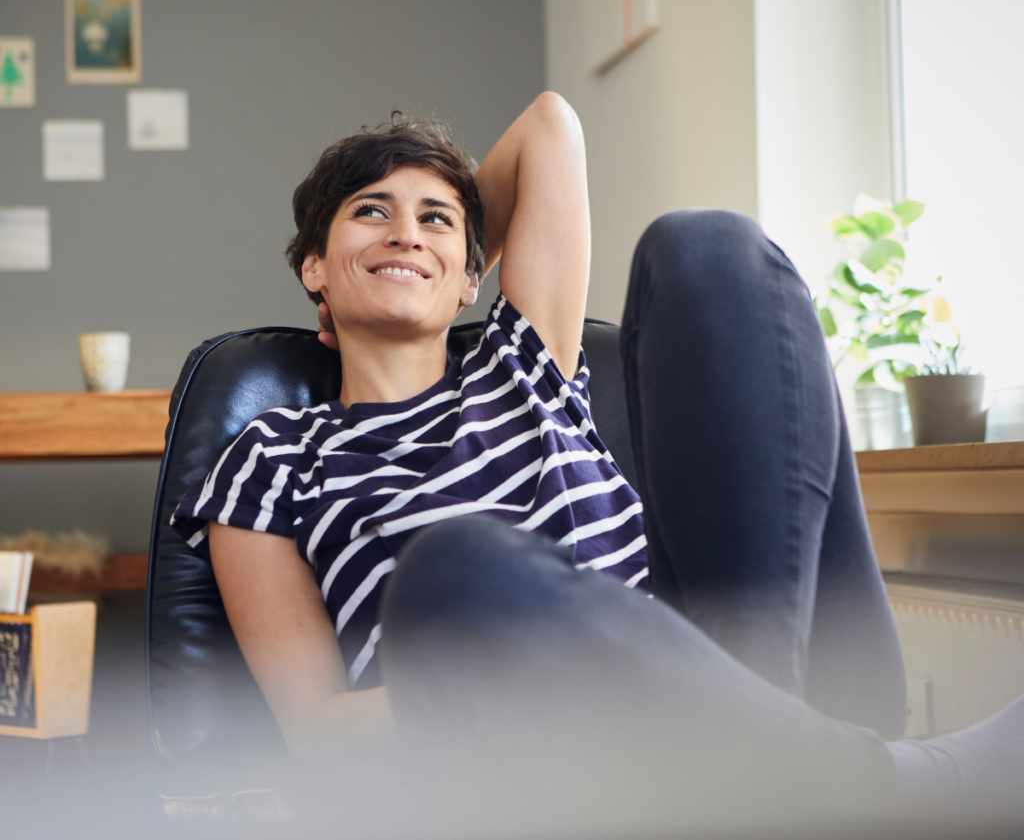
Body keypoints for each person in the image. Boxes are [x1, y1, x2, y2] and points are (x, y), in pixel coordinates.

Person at [171, 93, 1023, 823]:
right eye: (369, 211)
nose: (406, 231)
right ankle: (834, 784)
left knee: (707, 243)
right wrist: (556, 680)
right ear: (312, 265)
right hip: (527, 764)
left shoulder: (521, 362)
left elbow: (550, 126)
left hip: (758, 670)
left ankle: (764, 758)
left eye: (436, 219)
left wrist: (446, 251)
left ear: (474, 277)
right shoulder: (272, 457)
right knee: (461, 567)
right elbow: (317, 732)